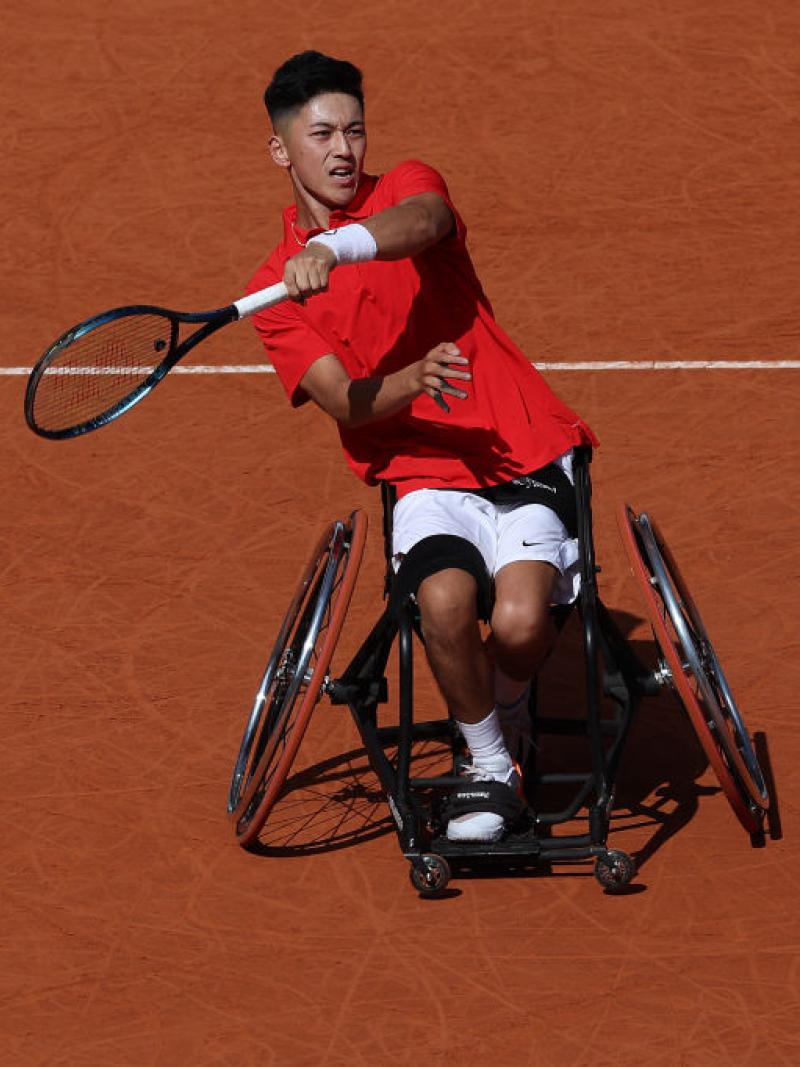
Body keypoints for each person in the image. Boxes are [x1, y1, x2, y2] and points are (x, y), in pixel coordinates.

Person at [246, 51, 598, 843]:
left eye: (354, 130)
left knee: (515, 624)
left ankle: (507, 706)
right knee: (441, 601)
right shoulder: (277, 292)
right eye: (322, 134)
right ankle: (489, 765)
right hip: (421, 472)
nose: (344, 150)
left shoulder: (406, 186)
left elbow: (426, 223)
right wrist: (411, 379)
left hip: (523, 446)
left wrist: (337, 249)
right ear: (280, 150)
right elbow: (345, 402)